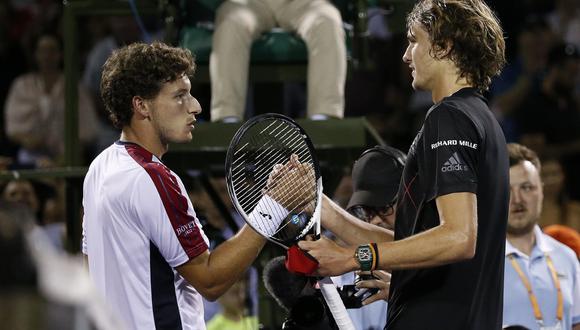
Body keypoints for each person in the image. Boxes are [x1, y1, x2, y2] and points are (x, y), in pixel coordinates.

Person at [298, 1, 509, 329]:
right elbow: (417, 242)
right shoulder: (482, 119)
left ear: (443, 46)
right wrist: (320, 205)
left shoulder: (449, 118)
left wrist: (353, 257)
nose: (406, 55)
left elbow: (458, 238)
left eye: (414, 40)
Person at [82, 41, 314, 330]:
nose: (195, 106)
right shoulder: (153, 178)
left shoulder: (100, 167)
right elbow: (211, 280)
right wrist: (274, 204)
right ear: (141, 105)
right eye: (180, 96)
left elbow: (93, 265)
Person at [209, 0, 346, 122]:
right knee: (231, 23)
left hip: (303, 3)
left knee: (327, 20)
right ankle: (227, 118)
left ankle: (324, 118)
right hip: (248, 2)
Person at [502, 143, 580, 330]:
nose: (517, 199)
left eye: (527, 187)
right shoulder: (478, 262)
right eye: (507, 190)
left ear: (541, 190)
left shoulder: (566, 256)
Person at [4, 33, 98, 167]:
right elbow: (12, 127)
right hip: (30, 158)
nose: (47, 56)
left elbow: (88, 129)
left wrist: (68, 153)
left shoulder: (74, 86)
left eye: (52, 50)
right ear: (35, 54)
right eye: (42, 51)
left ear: (60, 54)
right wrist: (27, 139)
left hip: (66, 157)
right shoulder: (22, 84)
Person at [338, 145, 406, 330]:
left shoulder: (443, 244)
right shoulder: (356, 270)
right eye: (367, 212)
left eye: (384, 208)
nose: (375, 220)